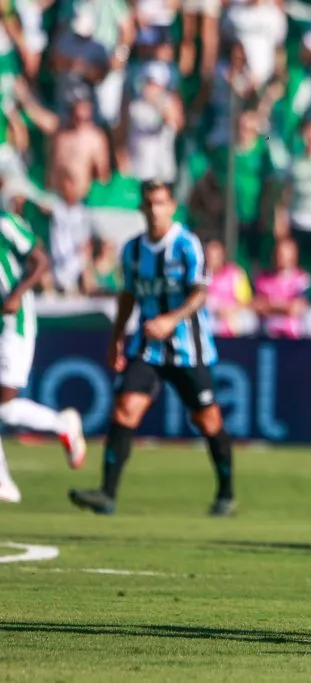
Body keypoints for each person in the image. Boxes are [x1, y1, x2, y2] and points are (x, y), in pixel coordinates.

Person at [68, 181, 236, 516]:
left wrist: (170, 320)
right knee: (124, 410)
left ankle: (226, 494)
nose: (155, 210)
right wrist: (117, 337)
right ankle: (107, 494)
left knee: (208, 421)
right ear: (142, 209)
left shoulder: (187, 245)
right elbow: (128, 295)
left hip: (189, 349)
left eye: (161, 203)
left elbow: (200, 293)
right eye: (149, 204)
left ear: (172, 205)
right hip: (148, 349)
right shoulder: (132, 250)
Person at [0, 210, 87, 504]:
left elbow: (40, 261)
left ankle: (62, 424)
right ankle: (3, 484)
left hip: (14, 323)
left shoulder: (5, 222)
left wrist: (16, 294)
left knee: (5, 403)